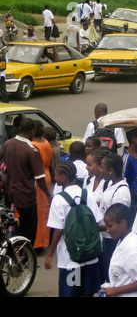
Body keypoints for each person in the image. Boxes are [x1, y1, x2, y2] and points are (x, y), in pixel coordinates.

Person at [45, 162, 103, 297]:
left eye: (56, 175)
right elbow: (97, 221)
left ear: (63, 177)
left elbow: (58, 230)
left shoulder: (59, 199)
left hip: (71, 258)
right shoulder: (87, 194)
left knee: (72, 292)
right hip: (90, 255)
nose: (55, 177)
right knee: (87, 292)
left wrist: (50, 255)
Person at [0, 118, 52, 246]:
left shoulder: (7, 144)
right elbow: (39, 177)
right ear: (32, 131)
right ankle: (25, 256)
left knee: (14, 224)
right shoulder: (31, 150)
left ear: (19, 129)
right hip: (26, 196)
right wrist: (48, 194)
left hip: (10, 194)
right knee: (29, 229)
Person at [99, 203, 137, 297]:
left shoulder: (132, 248)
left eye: (110, 226)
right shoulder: (123, 240)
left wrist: (116, 290)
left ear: (122, 223)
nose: (107, 230)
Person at [98, 153, 131, 282]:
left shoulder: (121, 193)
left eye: (102, 167)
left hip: (112, 241)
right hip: (106, 237)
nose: (100, 170)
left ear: (110, 171)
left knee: (112, 276)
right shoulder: (111, 184)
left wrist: (96, 228)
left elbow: (118, 222)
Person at [31, 120, 53, 251]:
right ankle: (45, 240)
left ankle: (38, 242)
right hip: (47, 177)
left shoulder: (33, 146)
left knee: (38, 211)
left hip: (38, 179)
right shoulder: (46, 143)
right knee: (45, 211)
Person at [83, 148, 110, 218]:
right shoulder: (87, 180)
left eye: (89, 165)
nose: (86, 167)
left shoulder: (108, 184)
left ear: (100, 165)